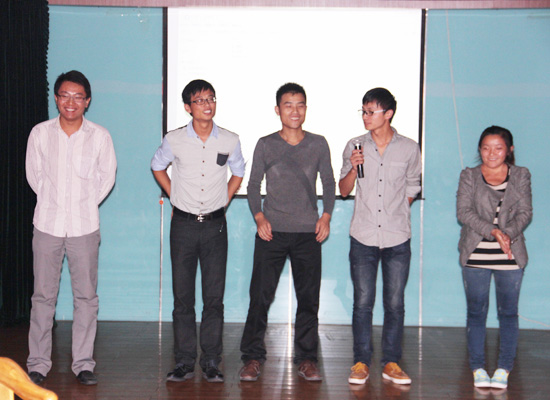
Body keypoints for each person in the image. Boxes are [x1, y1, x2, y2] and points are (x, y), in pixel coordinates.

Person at [239, 83, 335, 382]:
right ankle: (252, 358)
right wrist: (259, 217)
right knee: (260, 297)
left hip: (308, 233)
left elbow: (329, 183)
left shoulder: (318, 143)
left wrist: (326, 216)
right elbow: (253, 185)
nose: (295, 110)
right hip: (272, 233)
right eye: (288, 105)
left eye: (300, 104)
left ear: (306, 108)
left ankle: (306, 359)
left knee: (308, 300)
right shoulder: (266, 144)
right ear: (277, 110)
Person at [25, 70, 117, 386]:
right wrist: (55, 202)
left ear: (87, 101)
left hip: (84, 226)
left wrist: (83, 203)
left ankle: (83, 364)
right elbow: (34, 176)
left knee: (86, 298)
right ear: (56, 98)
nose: (71, 102)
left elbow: (106, 178)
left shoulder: (100, 136)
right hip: (47, 224)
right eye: (65, 95)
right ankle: (38, 364)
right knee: (42, 297)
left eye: (78, 97)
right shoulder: (40, 133)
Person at [151, 79, 245, 383]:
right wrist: (174, 195)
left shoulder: (229, 139)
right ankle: (184, 361)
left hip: (215, 226)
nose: (207, 105)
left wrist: (225, 199)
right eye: (200, 100)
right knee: (183, 298)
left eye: (211, 98)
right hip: (183, 226)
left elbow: (238, 171)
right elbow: (157, 166)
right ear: (187, 107)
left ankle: (212, 361)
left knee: (213, 298)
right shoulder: (174, 139)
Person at [339, 88, 421, 386]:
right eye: (363, 111)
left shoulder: (409, 148)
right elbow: (344, 189)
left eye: (370, 111)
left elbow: (413, 186)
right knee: (363, 302)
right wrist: (353, 165)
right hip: (363, 235)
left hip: (397, 236)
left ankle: (391, 363)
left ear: (388, 114)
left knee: (395, 303)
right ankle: (361, 362)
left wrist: (395, 211)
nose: (365, 116)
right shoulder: (354, 145)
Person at [457, 126, 532, 389]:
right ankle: (478, 367)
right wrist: (493, 231)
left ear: (509, 150)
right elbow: (463, 212)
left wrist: (506, 234)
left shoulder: (521, 175)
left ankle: (504, 369)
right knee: (476, 313)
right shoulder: (469, 175)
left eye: (498, 148)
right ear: (480, 150)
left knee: (508, 313)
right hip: (476, 254)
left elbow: (525, 212)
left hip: (510, 254)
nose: (492, 153)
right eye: (486, 148)